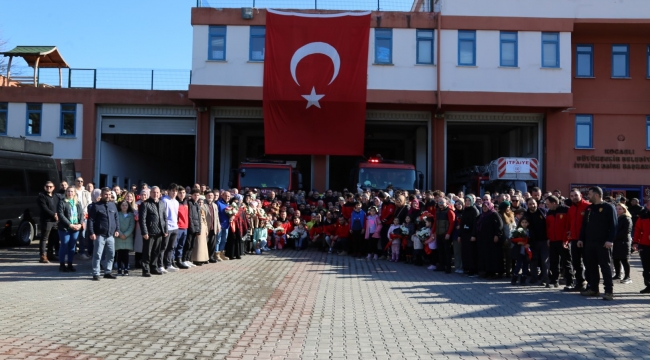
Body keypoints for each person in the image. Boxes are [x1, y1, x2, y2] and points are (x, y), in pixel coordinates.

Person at [579, 186, 617, 301]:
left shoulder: (608, 207)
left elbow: (614, 226)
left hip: (603, 244)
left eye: (589, 194)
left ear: (596, 195)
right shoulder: (589, 209)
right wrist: (581, 239)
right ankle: (594, 289)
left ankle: (609, 291)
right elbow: (584, 225)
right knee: (591, 267)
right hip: (590, 243)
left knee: (605, 267)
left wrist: (610, 240)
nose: (588, 196)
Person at [88, 187, 120, 281]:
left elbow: (116, 218)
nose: (108, 196)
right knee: (97, 255)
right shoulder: (95, 206)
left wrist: (117, 229)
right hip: (99, 235)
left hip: (110, 235)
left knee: (111, 255)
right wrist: (91, 232)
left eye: (109, 194)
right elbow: (91, 220)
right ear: (101, 195)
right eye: (106, 194)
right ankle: (96, 273)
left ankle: (108, 272)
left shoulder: (113, 205)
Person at [545, 196, 574, 289]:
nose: (547, 206)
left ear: (554, 203)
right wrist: (548, 238)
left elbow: (569, 226)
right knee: (554, 262)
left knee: (567, 262)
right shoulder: (549, 212)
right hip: (553, 241)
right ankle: (554, 280)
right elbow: (548, 227)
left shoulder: (566, 210)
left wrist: (566, 240)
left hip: (564, 241)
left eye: (548, 204)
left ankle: (570, 282)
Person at [139, 186, 169, 276]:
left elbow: (165, 218)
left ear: (160, 194)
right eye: (153, 192)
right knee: (147, 252)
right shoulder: (145, 204)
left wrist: (165, 230)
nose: (155, 194)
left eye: (157, 192)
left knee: (156, 251)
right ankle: (145, 269)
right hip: (149, 232)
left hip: (160, 232)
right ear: (150, 193)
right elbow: (142, 220)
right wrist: (144, 232)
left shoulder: (161, 203)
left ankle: (153, 267)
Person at [567, 188, 590, 292]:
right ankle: (580, 283)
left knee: (588, 262)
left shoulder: (587, 206)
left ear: (580, 195)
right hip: (574, 239)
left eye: (575, 195)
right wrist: (569, 232)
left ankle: (590, 285)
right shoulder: (571, 209)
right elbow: (570, 223)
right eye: (571, 196)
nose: (574, 198)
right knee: (576, 262)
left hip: (586, 240)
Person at [57, 187, 84, 272]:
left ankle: (70, 264)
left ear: (75, 193)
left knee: (72, 247)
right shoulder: (62, 202)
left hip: (76, 227)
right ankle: (62, 265)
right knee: (64, 245)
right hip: (65, 228)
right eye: (68, 191)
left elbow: (81, 214)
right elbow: (61, 215)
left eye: (72, 191)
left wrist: (80, 224)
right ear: (66, 192)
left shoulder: (78, 202)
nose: (70, 193)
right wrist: (69, 224)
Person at [476, 200, 504, 279]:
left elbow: (500, 225)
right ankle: (487, 272)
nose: (485, 208)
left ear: (490, 206)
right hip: (484, 239)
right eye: (483, 206)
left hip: (492, 239)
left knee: (493, 256)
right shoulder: (482, 215)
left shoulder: (494, 214)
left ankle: (493, 273)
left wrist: (497, 235)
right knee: (486, 256)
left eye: (486, 206)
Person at [526, 197, 549, 286]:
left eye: (533, 203)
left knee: (544, 261)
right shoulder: (526, 215)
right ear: (527, 205)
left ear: (537, 203)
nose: (532, 205)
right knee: (533, 261)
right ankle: (534, 278)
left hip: (544, 241)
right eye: (530, 204)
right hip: (532, 242)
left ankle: (545, 279)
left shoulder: (543, 212)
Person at [37, 181, 58, 263]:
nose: (49, 188)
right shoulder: (41, 196)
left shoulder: (55, 196)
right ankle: (42, 255)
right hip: (46, 221)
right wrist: (54, 214)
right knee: (44, 238)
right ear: (44, 187)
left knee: (52, 238)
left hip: (55, 221)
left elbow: (58, 205)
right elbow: (44, 208)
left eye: (50, 186)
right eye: (47, 186)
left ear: (53, 187)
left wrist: (58, 215)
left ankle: (50, 254)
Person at [161, 184, 180, 272]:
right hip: (167, 227)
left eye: (175, 191)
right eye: (172, 190)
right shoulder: (164, 200)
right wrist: (164, 228)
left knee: (171, 247)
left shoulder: (176, 202)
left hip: (175, 227)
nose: (174, 193)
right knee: (163, 247)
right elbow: (163, 216)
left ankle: (168, 264)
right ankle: (160, 265)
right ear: (168, 191)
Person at [433, 197, 456, 273]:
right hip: (439, 234)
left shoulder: (449, 211)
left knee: (447, 251)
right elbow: (435, 222)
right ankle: (442, 266)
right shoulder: (437, 211)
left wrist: (448, 233)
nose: (440, 204)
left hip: (445, 234)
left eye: (442, 202)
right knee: (440, 251)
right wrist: (433, 232)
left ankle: (448, 268)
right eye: (439, 202)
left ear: (446, 203)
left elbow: (452, 223)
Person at [633, 199, 650, 294]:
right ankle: (648, 285)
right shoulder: (643, 216)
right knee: (646, 267)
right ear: (647, 206)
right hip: (645, 245)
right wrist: (635, 242)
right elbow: (637, 230)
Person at [613, 203, 633, 284]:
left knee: (624, 259)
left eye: (620, 209)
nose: (618, 210)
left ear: (624, 210)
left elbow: (626, 231)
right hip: (616, 242)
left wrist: (614, 236)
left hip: (624, 242)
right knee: (616, 259)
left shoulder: (627, 218)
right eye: (617, 209)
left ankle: (627, 277)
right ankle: (617, 275)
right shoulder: (616, 218)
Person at [73, 177, 92, 260]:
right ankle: (72, 252)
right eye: (78, 181)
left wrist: (85, 212)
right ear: (75, 182)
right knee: (73, 234)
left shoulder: (86, 192)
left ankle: (82, 252)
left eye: (81, 181)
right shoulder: (72, 191)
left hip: (84, 215)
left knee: (82, 234)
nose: (80, 182)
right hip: (74, 215)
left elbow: (89, 203)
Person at [461, 195, 480, 277]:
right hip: (465, 234)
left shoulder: (474, 210)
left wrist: (473, 235)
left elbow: (475, 224)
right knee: (465, 252)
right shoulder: (465, 210)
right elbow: (462, 223)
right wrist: (460, 235)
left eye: (469, 200)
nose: (467, 202)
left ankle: (473, 270)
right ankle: (467, 268)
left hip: (471, 234)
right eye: (466, 200)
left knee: (472, 252)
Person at [115, 200, 135, 275]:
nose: (124, 207)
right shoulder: (117, 214)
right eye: (122, 205)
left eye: (126, 205)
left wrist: (126, 234)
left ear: (128, 206)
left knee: (126, 254)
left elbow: (131, 226)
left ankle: (126, 268)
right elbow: (116, 224)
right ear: (120, 206)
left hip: (128, 237)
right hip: (119, 236)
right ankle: (119, 268)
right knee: (119, 254)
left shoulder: (131, 215)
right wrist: (120, 234)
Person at [183, 189, 202, 268]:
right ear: (191, 195)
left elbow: (199, 218)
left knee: (192, 245)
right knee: (188, 244)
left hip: (196, 227)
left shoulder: (197, 204)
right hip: (191, 227)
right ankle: (184, 260)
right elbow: (190, 216)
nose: (196, 197)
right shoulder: (189, 203)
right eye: (195, 195)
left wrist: (199, 229)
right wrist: (192, 228)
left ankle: (188, 259)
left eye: (198, 195)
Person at [511, 217, 532, 285]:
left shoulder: (530, 231)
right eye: (523, 222)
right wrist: (518, 242)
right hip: (519, 251)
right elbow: (513, 239)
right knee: (518, 265)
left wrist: (529, 244)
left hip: (526, 251)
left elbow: (533, 240)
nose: (524, 224)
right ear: (520, 223)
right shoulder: (518, 231)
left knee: (525, 266)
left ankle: (523, 280)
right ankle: (514, 279)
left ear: (528, 223)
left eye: (526, 222)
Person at [174, 186, 190, 269]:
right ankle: (172, 261)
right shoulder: (176, 202)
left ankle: (179, 260)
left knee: (181, 245)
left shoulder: (186, 202)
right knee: (175, 245)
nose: (182, 194)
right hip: (178, 227)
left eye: (183, 193)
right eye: (180, 193)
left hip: (185, 227)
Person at [498, 201, 515, 277]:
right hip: (504, 239)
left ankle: (509, 272)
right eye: (507, 207)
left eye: (509, 207)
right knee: (502, 257)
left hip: (511, 239)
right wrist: (504, 238)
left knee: (509, 257)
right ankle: (501, 271)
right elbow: (501, 229)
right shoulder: (500, 216)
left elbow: (513, 226)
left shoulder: (511, 215)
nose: (508, 209)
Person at [191, 196, 210, 265]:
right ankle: (197, 259)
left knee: (204, 245)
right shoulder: (195, 209)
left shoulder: (202, 209)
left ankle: (204, 258)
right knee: (198, 244)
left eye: (202, 202)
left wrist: (206, 229)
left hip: (204, 228)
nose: (200, 203)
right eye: (199, 202)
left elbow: (205, 220)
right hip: (198, 228)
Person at [205, 191, 221, 262]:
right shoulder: (203, 205)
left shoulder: (215, 205)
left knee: (212, 244)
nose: (210, 197)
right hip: (206, 228)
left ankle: (210, 257)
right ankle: (204, 258)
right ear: (206, 196)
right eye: (209, 195)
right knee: (205, 244)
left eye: (211, 195)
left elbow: (217, 217)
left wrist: (218, 226)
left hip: (213, 228)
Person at [133, 189, 148, 269]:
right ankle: (137, 262)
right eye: (142, 194)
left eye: (145, 195)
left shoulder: (149, 203)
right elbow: (135, 214)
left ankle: (144, 261)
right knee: (138, 244)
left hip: (147, 226)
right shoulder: (136, 204)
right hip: (139, 226)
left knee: (145, 245)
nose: (143, 196)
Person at [216, 190, 232, 261]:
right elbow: (216, 215)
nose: (227, 197)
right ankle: (216, 254)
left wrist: (232, 216)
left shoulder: (229, 204)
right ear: (222, 196)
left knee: (224, 240)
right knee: (218, 240)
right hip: (219, 225)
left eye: (228, 196)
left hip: (226, 225)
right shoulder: (218, 203)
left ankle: (222, 254)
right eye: (225, 196)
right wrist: (217, 223)